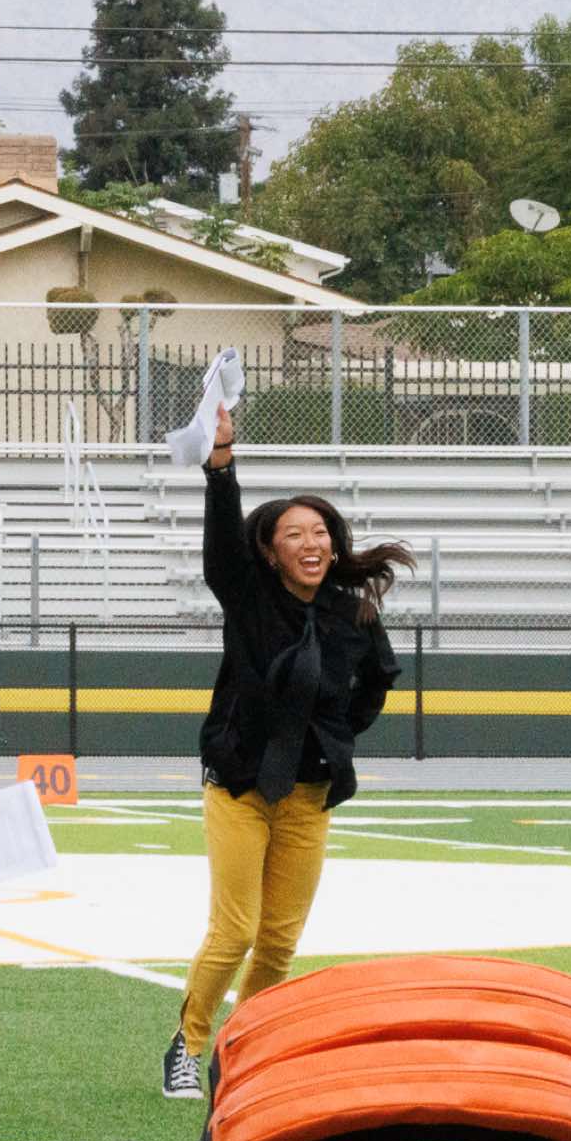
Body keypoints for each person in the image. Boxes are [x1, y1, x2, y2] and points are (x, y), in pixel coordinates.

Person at [162, 403, 410, 1099]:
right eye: (294, 534)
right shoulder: (249, 598)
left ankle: (242, 1049)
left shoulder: (353, 611)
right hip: (240, 785)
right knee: (235, 929)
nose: (311, 542)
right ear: (270, 552)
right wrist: (221, 466)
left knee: (278, 940)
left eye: (320, 531)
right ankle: (188, 1044)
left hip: (309, 793)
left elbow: (379, 680)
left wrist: (338, 736)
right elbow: (222, 544)